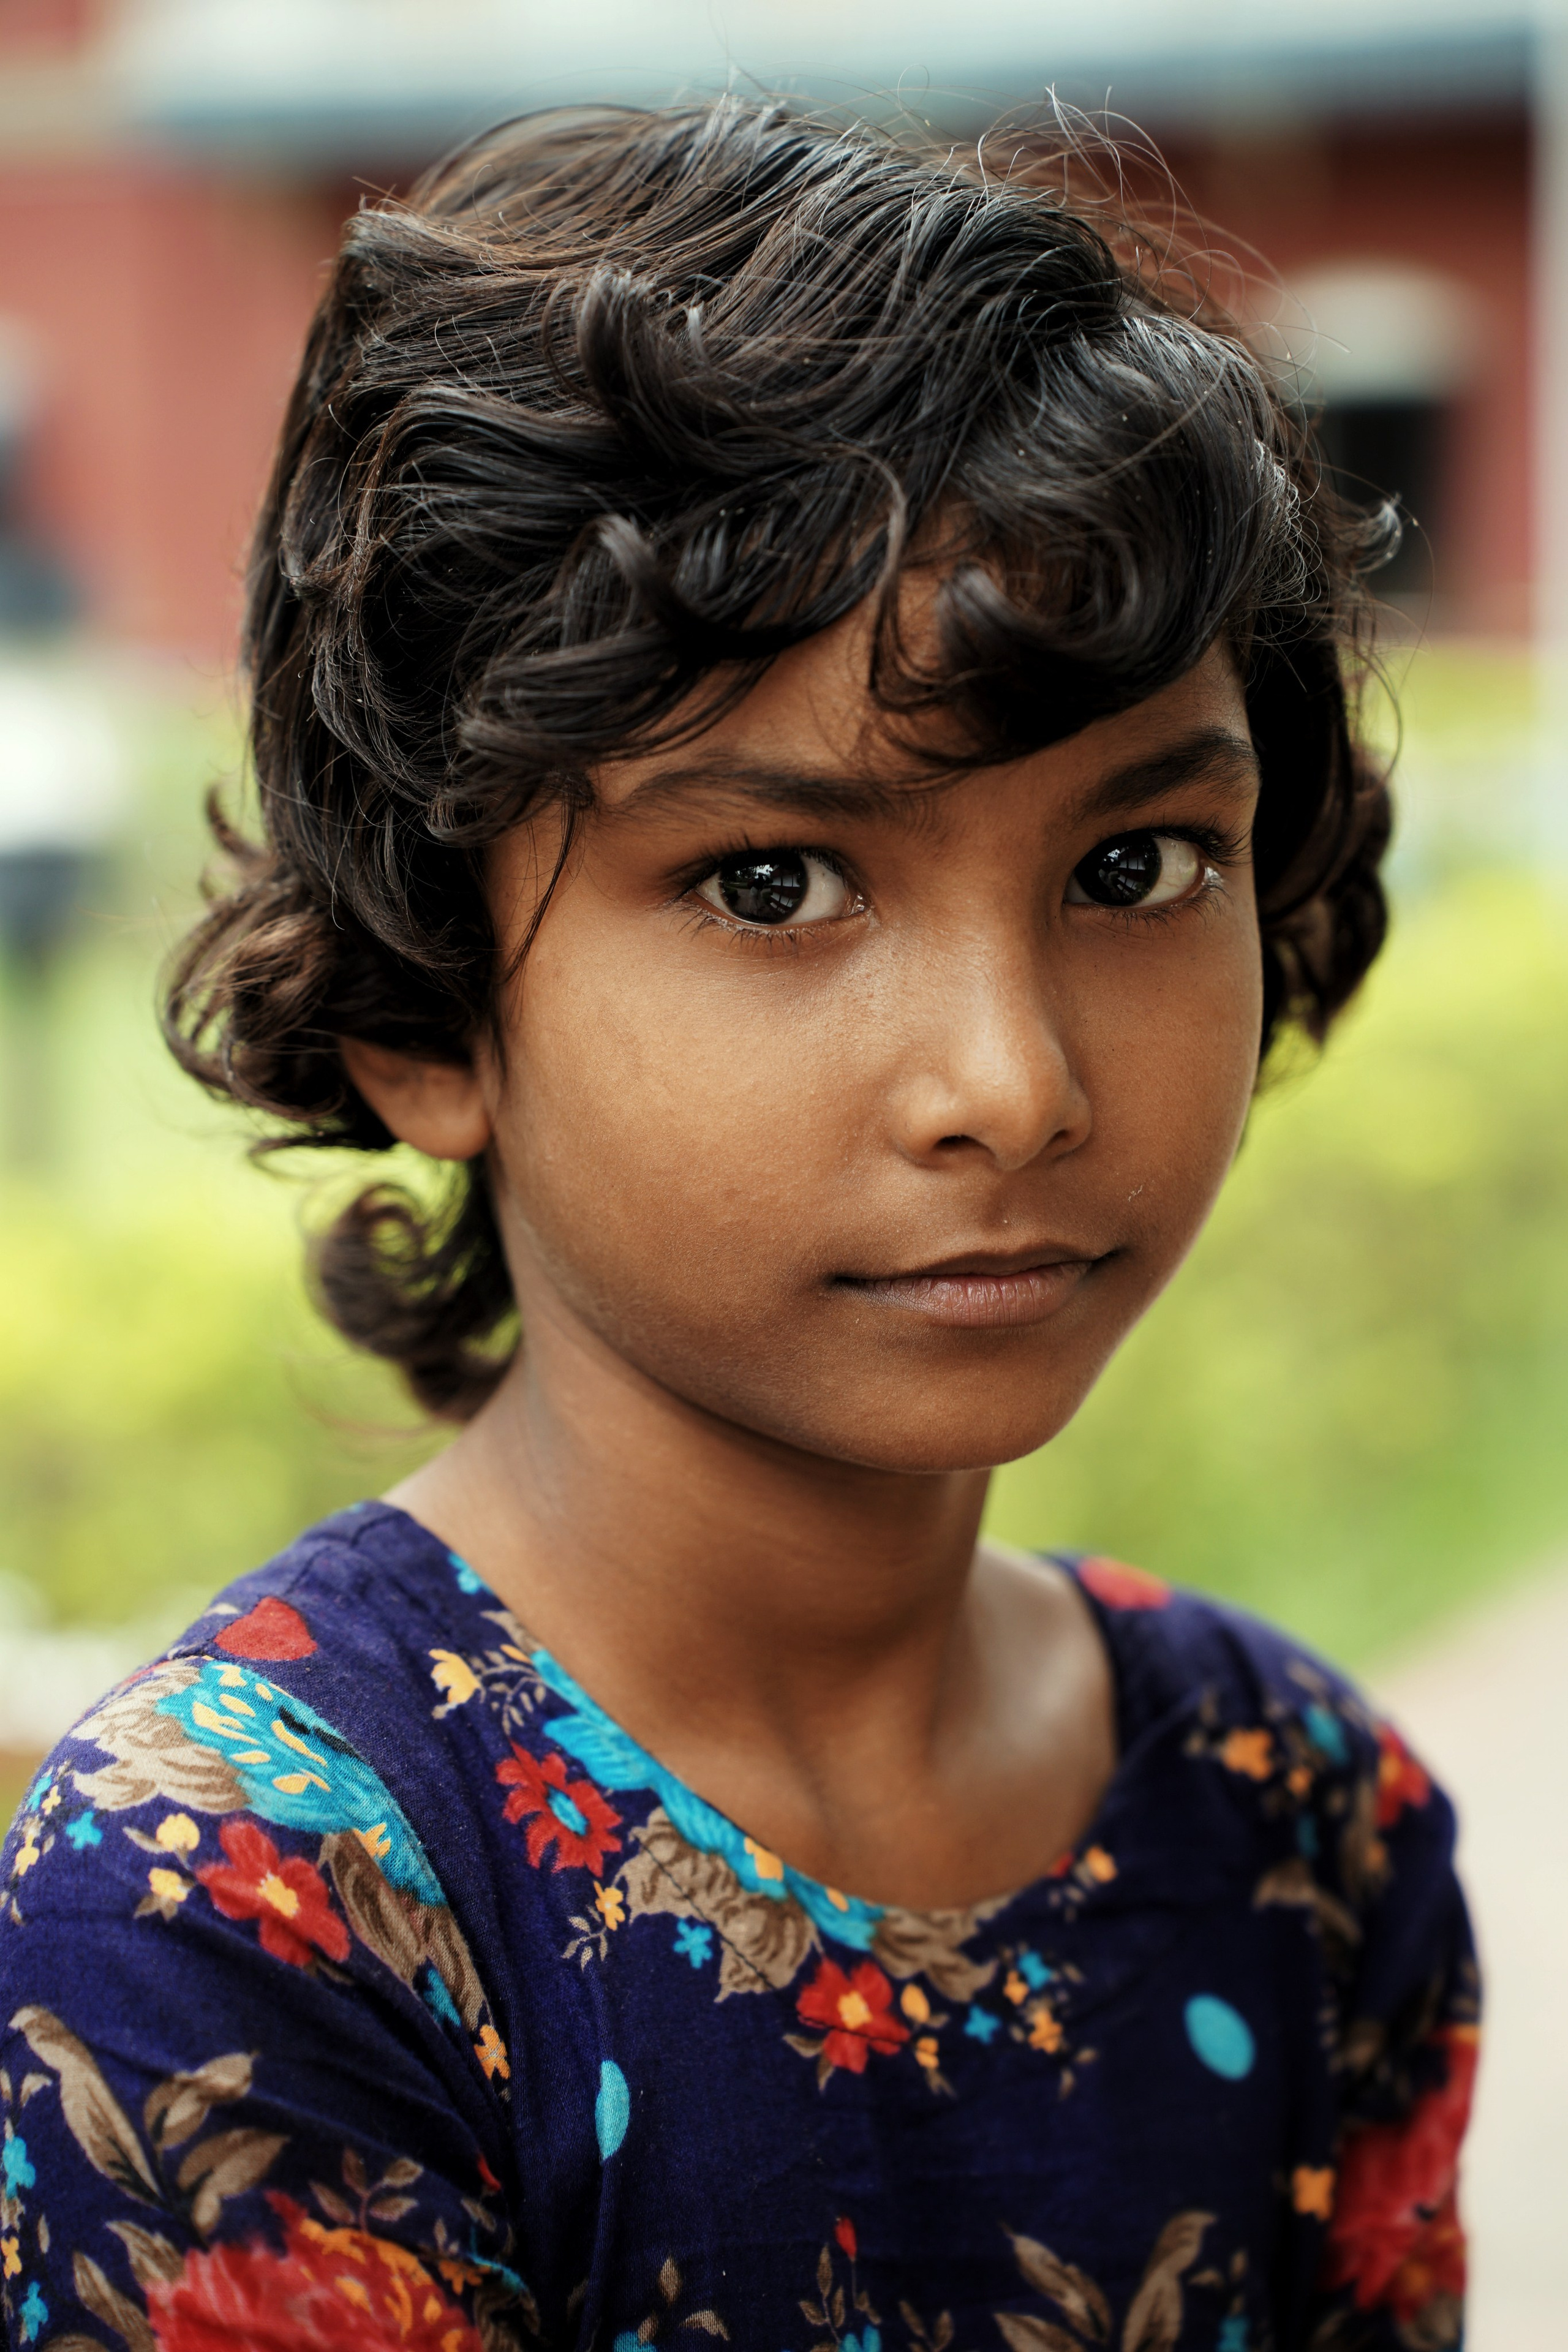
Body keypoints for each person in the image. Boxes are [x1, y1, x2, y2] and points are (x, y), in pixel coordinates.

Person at [0, 100, 1475, 2352]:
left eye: (1135, 867)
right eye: (773, 882)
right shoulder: (249, 1904)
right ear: (424, 1002)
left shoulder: (1298, 1822)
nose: (1013, 1082)